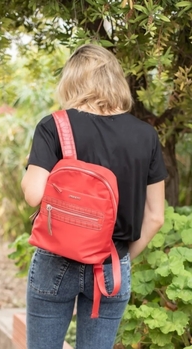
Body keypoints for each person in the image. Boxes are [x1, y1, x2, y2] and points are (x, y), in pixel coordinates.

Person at [21, 44, 167, 349]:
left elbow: (33, 195)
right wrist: (122, 259)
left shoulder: (55, 126)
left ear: (71, 80)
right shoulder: (146, 135)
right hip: (111, 262)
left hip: (56, 260)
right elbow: (155, 216)